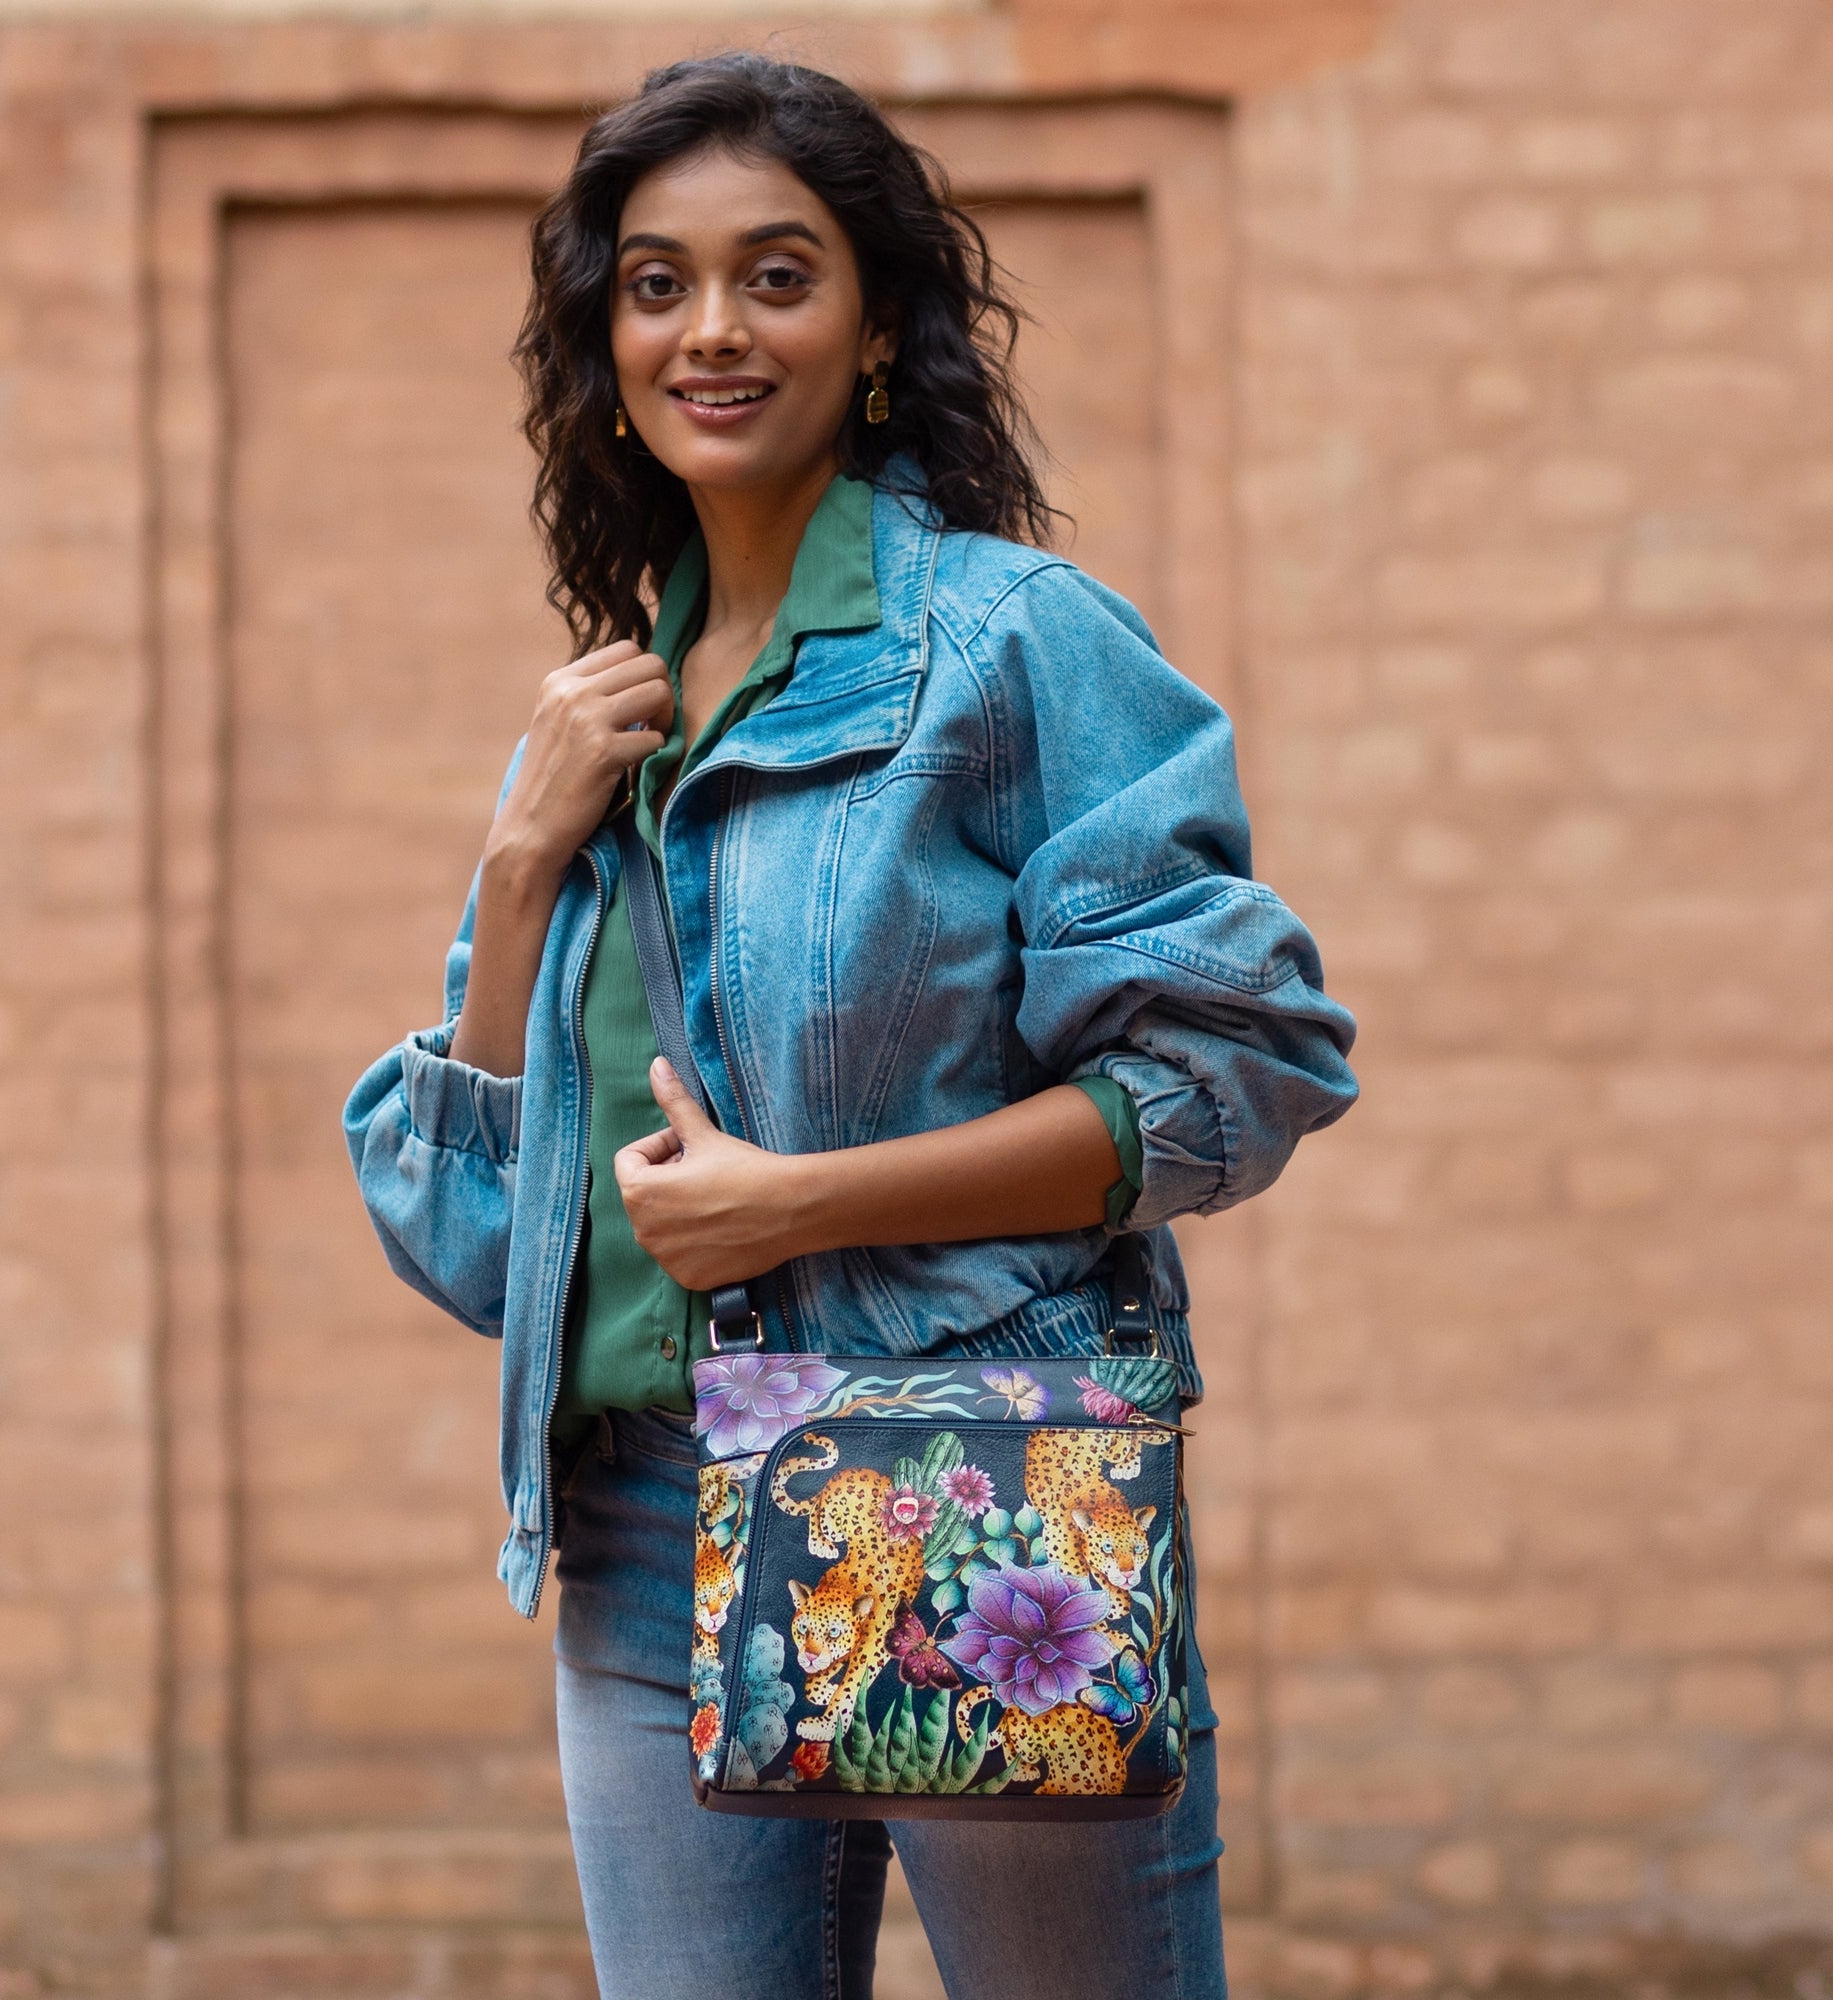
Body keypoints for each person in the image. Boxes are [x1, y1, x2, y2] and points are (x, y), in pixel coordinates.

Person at [344, 51, 1356, 2000]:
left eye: (774, 273)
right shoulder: (599, 711)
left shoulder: (1004, 643)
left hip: (962, 1469)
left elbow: (1232, 1069)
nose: (707, 327)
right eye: (654, 282)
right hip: (637, 1528)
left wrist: (806, 1203)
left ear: (876, 320)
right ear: (601, 337)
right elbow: (488, 1249)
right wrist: (515, 864)